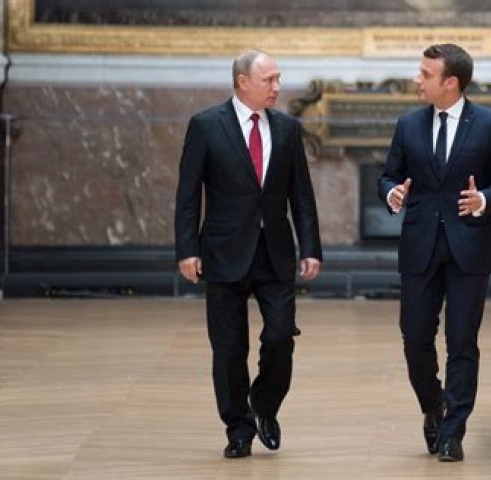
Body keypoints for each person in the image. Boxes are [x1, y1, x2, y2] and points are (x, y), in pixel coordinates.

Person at [174, 49, 322, 458]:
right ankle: (238, 428)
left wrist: (311, 248)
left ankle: (265, 405)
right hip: (222, 253)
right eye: (269, 79)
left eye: (278, 79)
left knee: (280, 336)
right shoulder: (206, 125)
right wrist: (187, 249)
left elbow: (302, 195)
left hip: (275, 253)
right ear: (242, 81)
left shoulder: (288, 129)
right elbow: (188, 195)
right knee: (229, 349)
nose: (277, 87)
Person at [377, 44, 491, 462]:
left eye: (425, 74)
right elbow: (387, 176)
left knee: (462, 341)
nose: (416, 80)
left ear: (451, 82)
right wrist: (392, 193)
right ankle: (432, 405)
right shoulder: (408, 124)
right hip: (419, 246)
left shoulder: (490, 124)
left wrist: (484, 200)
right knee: (415, 337)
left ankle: (453, 431)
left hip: (469, 248)